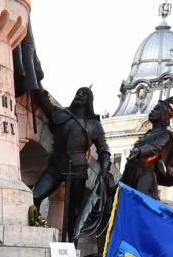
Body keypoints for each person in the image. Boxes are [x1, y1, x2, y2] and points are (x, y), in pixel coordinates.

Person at [29, 86, 111, 243]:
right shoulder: (60, 114)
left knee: (75, 213)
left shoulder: (94, 125)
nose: (80, 95)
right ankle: (35, 235)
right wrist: (35, 84)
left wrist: (103, 172)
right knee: (35, 196)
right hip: (56, 166)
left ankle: (71, 247)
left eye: (84, 94)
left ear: (89, 101)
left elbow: (104, 150)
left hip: (78, 169)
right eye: (78, 93)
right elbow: (42, 101)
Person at [119, 98, 173, 202]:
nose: (152, 111)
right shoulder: (148, 133)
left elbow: (156, 149)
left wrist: (140, 151)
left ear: (163, 115)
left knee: (141, 205)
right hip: (129, 172)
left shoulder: (166, 135)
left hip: (144, 175)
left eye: (156, 109)